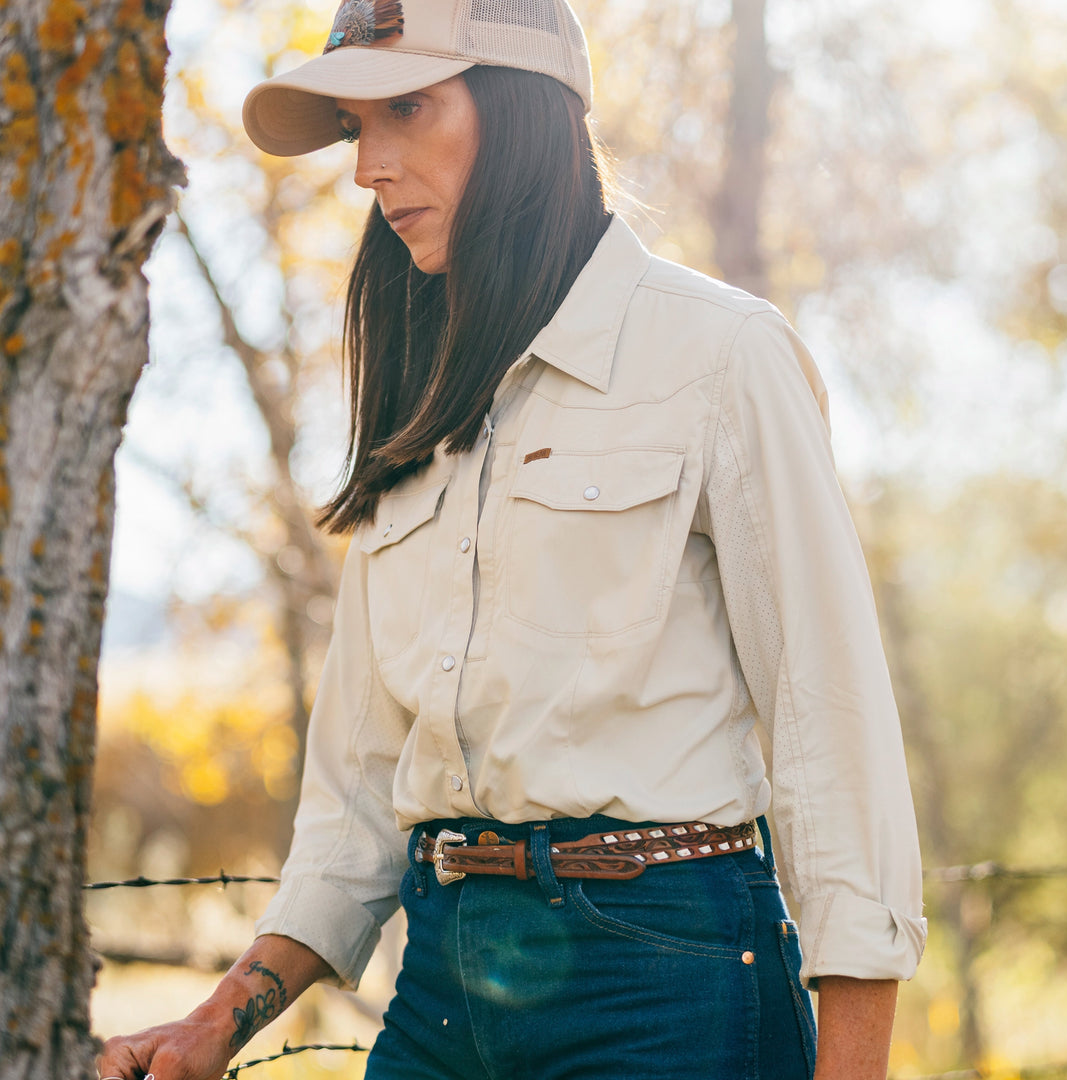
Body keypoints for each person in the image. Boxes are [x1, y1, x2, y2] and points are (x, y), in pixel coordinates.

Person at [98, 1, 927, 1077]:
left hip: (667, 985)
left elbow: (833, 736)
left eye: (406, 108)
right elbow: (356, 793)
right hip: (441, 982)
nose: (368, 169)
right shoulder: (414, 397)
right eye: (357, 129)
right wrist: (224, 1016)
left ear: (528, 108)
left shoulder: (721, 357)